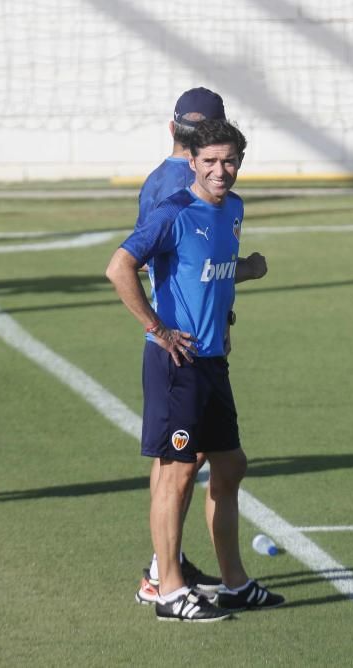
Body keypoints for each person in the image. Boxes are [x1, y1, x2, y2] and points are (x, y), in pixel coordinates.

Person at [106, 119, 283, 621]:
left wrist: (247, 268)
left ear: (240, 162)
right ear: (193, 163)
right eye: (210, 162)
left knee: (230, 465)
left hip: (212, 362)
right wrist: (159, 330)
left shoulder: (233, 210)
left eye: (229, 161)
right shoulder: (173, 213)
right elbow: (119, 267)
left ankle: (233, 585)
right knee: (178, 475)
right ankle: (168, 590)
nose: (220, 170)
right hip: (176, 362)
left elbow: (211, 270)